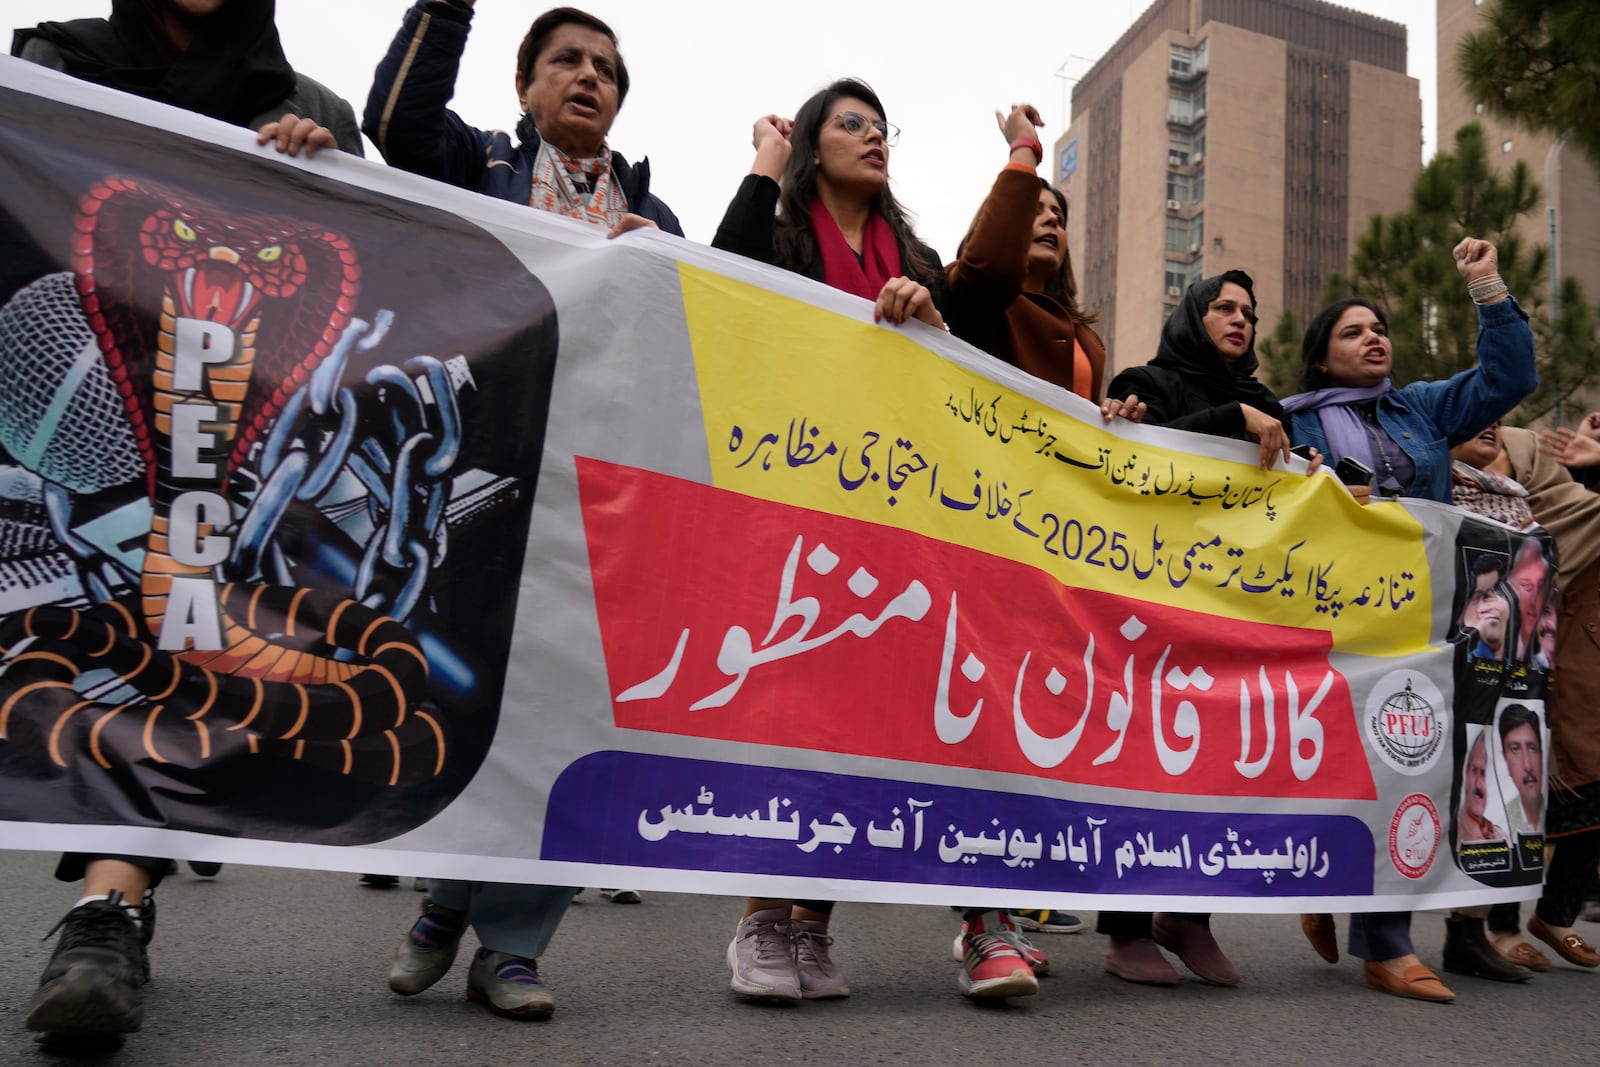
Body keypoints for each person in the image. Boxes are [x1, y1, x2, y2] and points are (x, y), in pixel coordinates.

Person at [11, 0, 358, 1043]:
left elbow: (397, 251)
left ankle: (107, 910)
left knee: (172, 648)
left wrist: (332, 171)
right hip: (56, 438)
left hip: (218, 458)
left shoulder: (309, 106)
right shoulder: (51, 66)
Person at [365, 0, 680, 1020]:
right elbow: (396, 118)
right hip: (483, 477)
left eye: (604, 67)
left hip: (607, 496)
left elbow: (702, 338)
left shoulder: (657, 220)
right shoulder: (478, 168)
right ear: (526, 86)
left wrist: (666, 268)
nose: (586, 76)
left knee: (566, 708)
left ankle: (507, 943)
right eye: (565, 61)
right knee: (474, 693)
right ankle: (446, 896)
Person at [711, 77, 947, 1003]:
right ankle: (758, 923)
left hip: (892, 518)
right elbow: (721, 277)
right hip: (795, 496)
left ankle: (813, 927)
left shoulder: (914, 251)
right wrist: (763, 167)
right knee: (795, 707)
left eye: (883, 125)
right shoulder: (780, 227)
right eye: (851, 123)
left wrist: (927, 315)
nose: (874, 136)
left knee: (863, 718)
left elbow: (957, 367)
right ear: (811, 145)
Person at [1284, 237, 1538, 1003]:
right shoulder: (1289, 421)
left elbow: (1510, 376)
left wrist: (1487, 287)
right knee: (1335, 765)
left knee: (1407, 759)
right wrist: (1318, 497)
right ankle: (1326, 883)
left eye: (1380, 327)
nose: (1375, 337)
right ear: (1321, 359)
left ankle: (1384, 945)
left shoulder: (1420, 407)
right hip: (1327, 614)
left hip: (1420, 618)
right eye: (1353, 330)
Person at [935, 102, 1144, 998]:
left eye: (1061, 215)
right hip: (982, 544)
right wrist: (1023, 155)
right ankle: (987, 929)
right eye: (1036, 211)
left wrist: (1118, 427)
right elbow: (982, 263)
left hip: (1065, 564)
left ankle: (1006, 913)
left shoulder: (1087, 340)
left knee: (1042, 740)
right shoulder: (979, 298)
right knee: (989, 735)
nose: (1049, 221)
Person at [1094, 268, 1302, 988]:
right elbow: (1135, 461)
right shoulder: (1142, 379)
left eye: (1249, 310)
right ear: (1192, 313)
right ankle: (1125, 931)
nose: (1240, 319)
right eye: (1223, 306)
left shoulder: (1268, 404)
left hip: (1235, 609)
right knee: (1143, 763)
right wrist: (1230, 422)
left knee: (1219, 765)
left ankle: (1188, 917)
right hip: (1150, 604)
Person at [1454, 422, 1600, 972]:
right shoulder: (1437, 492)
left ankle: (1554, 913)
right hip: (1479, 658)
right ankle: (1498, 923)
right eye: (1471, 427)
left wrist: (1594, 466)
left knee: (1560, 784)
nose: (1488, 436)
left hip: (1566, 651)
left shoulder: (1567, 500)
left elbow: (1579, 519)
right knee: (1493, 787)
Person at [1500, 705, 1544, 834]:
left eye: (1532, 748)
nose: (1527, 766)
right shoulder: (1498, 824)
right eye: (1515, 749)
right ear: (1505, 760)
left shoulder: (1558, 809)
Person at [1460, 557, 1512, 663]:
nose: (1486, 607)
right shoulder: (1467, 665)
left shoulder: (1525, 660)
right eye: (1478, 597)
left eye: (1493, 594)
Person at [1459, 733, 1505, 843]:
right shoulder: (1455, 832)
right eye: (1474, 771)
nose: (1478, 784)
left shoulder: (1501, 835)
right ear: (1465, 774)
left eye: (1483, 773)